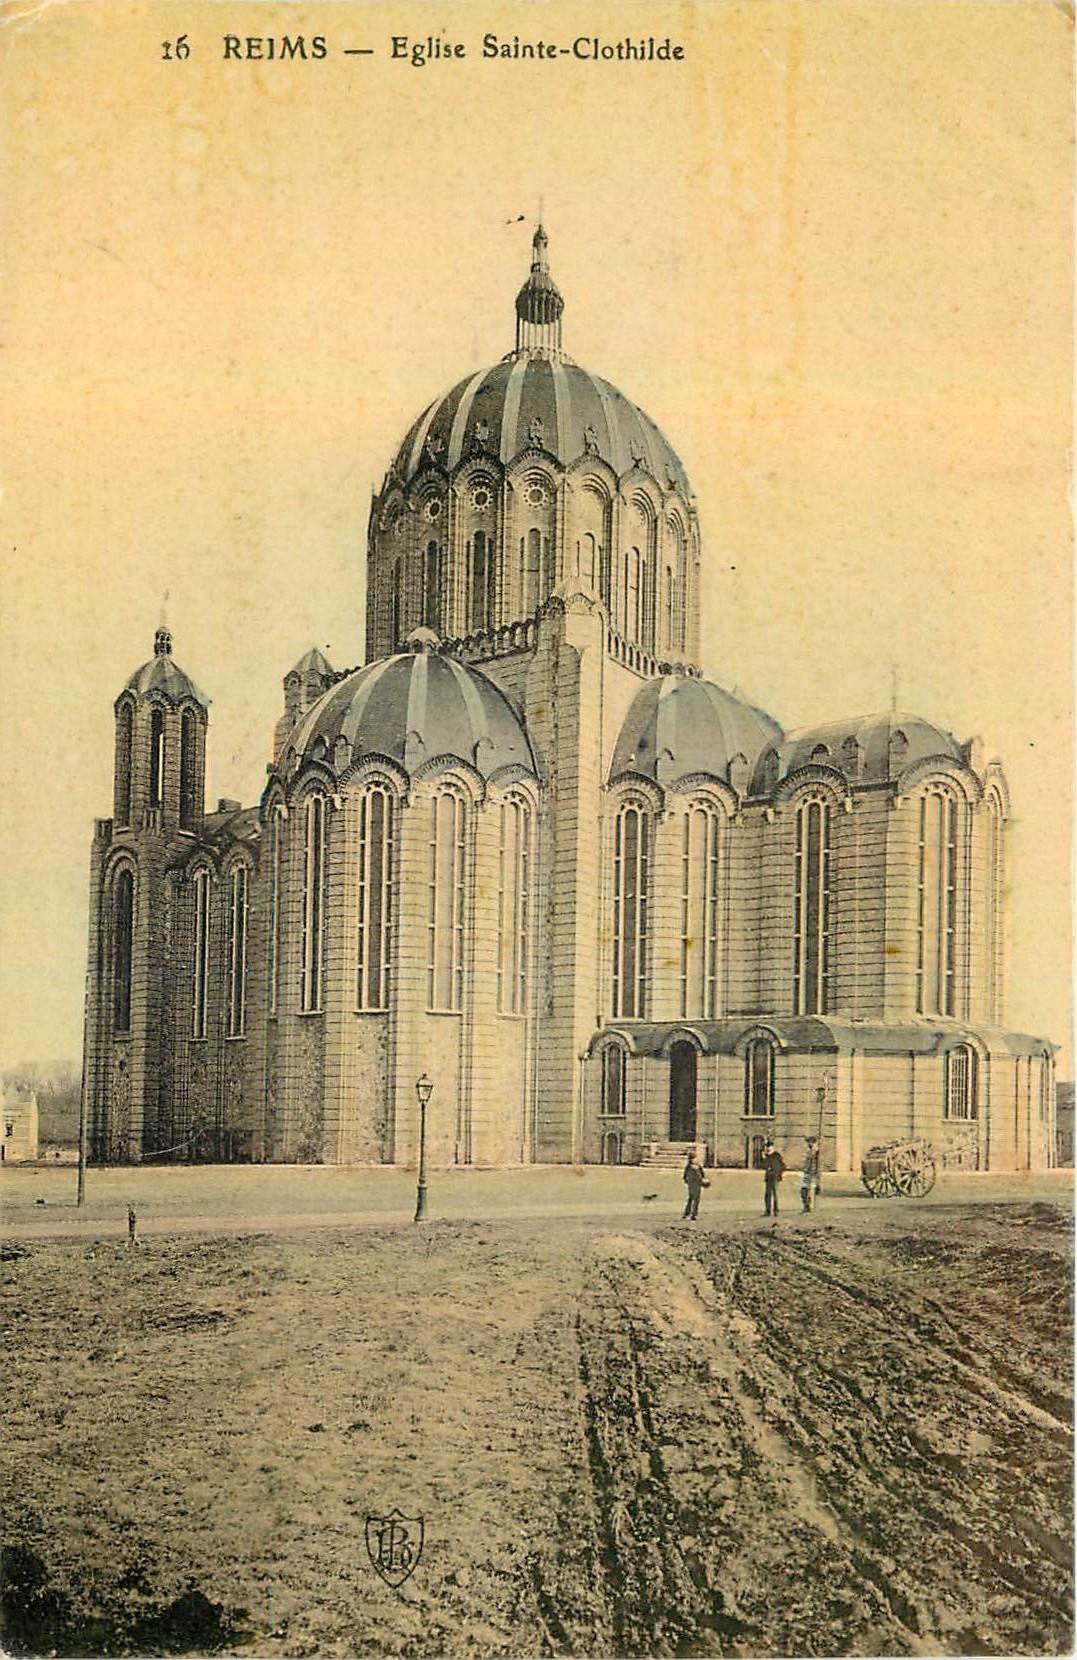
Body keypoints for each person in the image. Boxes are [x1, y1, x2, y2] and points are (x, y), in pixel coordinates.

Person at [682, 1149, 710, 1220]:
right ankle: (691, 1214)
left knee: (694, 1199)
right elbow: (685, 1176)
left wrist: (704, 1181)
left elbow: (702, 1174)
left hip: (698, 1184)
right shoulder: (689, 1167)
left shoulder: (698, 1166)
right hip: (692, 1184)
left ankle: (690, 1213)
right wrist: (688, 1181)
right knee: (693, 1199)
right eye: (694, 1158)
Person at [762, 1140, 785, 1217]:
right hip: (768, 1177)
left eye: (769, 1147)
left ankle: (776, 1210)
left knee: (775, 1194)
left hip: (775, 1177)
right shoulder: (766, 1156)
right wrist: (764, 1158)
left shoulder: (777, 1156)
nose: (768, 1148)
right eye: (767, 1147)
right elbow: (763, 1166)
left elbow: (782, 1166)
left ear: (773, 1147)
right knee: (768, 1194)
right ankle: (767, 1210)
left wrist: (779, 1174)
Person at [801, 1136, 820, 1212]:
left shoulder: (817, 1152)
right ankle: (806, 1206)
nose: (808, 1144)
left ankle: (810, 1206)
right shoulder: (809, 1151)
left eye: (809, 1142)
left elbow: (816, 1164)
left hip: (813, 1173)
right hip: (807, 1173)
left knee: (810, 1190)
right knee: (804, 1190)